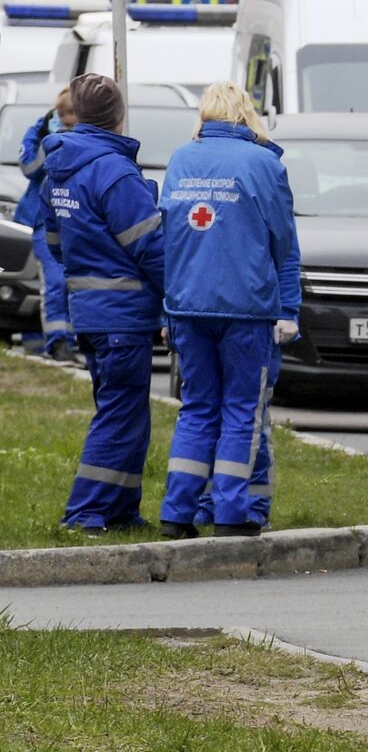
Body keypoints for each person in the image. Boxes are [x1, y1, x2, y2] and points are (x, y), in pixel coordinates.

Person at [157, 82, 300, 539]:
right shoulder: (264, 164)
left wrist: (167, 312)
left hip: (188, 307)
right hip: (246, 310)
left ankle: (177, 514)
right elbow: (284, 246)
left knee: (197, 408)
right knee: (241, 411)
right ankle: (231, 515)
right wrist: (289, 308)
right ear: (244, 114)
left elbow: (171, 240)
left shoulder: (181, 159)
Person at [42, 74, 165, 533]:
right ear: (118, 115)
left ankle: (122, 511)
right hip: (123, 316)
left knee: (127, 412)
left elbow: (55, 243)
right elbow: (152, 249)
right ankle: (85, 513)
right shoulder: (114, 172)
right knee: (119, 414)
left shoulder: (61, 167)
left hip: (89, 312)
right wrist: (179, 294)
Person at [17, 87, 79, 361]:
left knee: (70, 283)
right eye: (64, 115)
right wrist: (50, 140)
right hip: (43, 219)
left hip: (73, 217)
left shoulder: (85, 133)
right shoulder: (40, 131)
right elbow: (30, 169)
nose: (68, 120)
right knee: (54, 281)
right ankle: (58, 343)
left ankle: (67, 341)